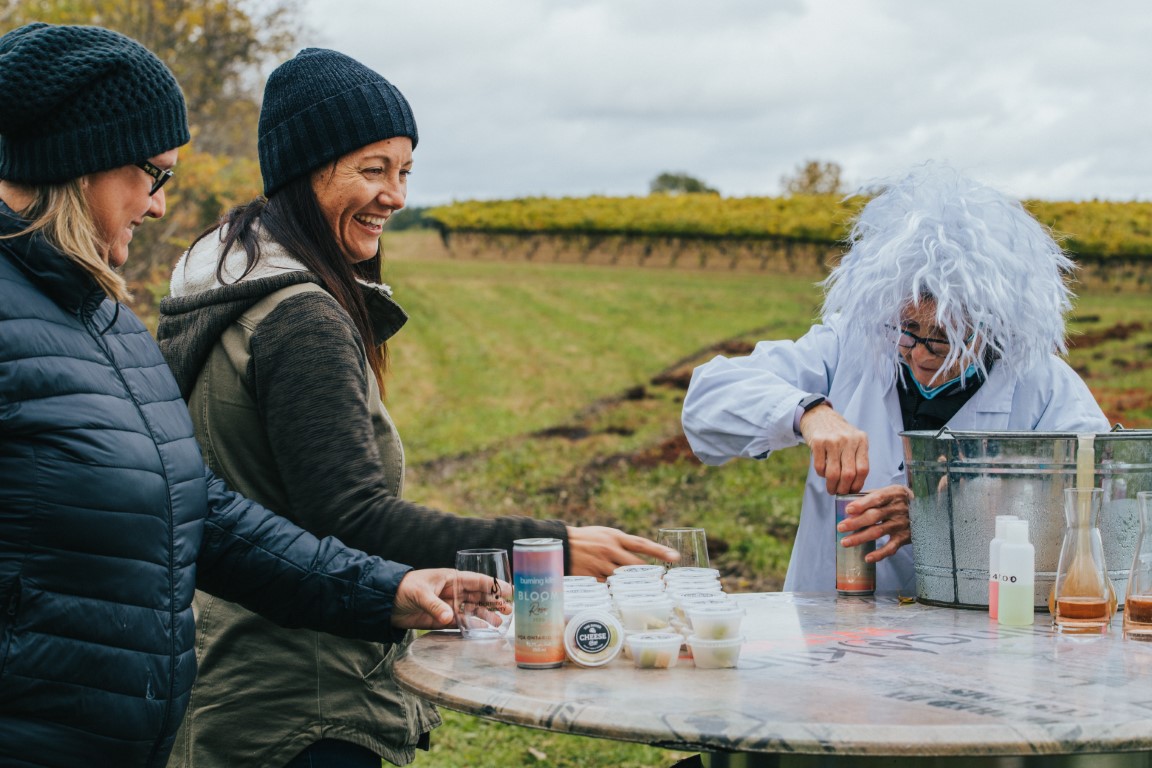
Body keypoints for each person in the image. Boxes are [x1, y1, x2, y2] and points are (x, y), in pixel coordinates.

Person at [0, 23, 507, 768]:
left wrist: (385, 591)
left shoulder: (104, 322)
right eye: (153, 176)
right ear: (85, 163)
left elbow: (201, 512)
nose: (159, 206)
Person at [156, 48, 676, 767]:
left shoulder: (224, 280)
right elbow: (352, 518)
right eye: (372, 169)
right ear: (305, 171)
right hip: (305, 700)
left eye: (404, 172)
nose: (395, 196)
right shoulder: (300, 317)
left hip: (228, 666)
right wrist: (549, 547)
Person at [681, 163, 1109, 595]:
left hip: (980, 643)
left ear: (995, 328)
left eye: (944, 339)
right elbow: (708, 400)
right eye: (908, 329)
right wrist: (809, 413)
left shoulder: (1044, 389)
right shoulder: (850, 346)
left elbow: (1094, 520)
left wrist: (940, 519)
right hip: (833, 637)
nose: (920, 353)